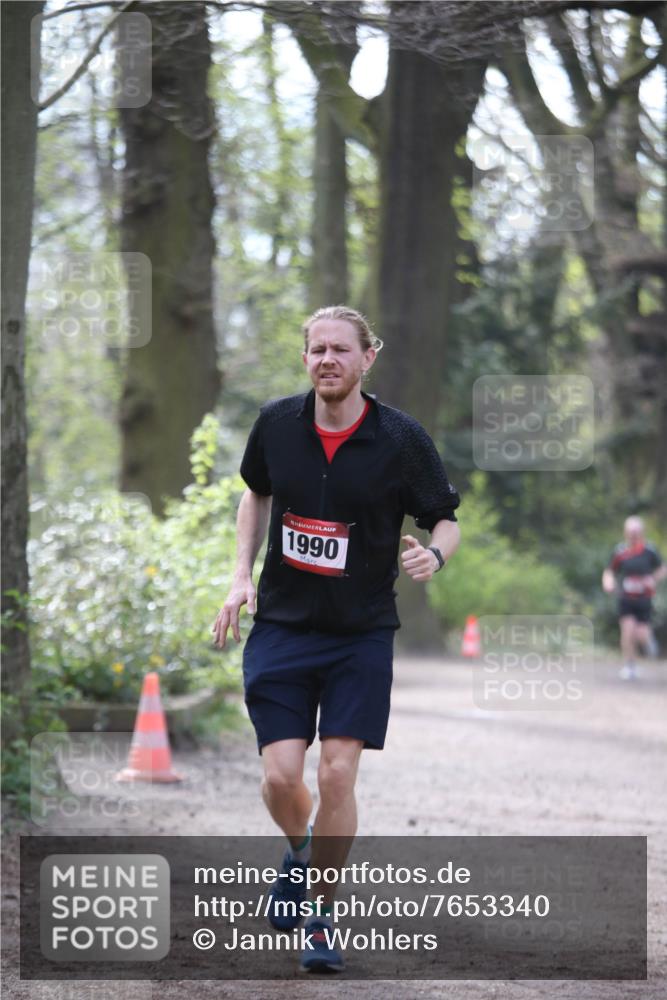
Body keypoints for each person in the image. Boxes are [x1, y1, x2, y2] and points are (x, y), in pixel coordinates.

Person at [212, 305, 461, 973]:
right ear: (305, 359)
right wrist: (240, 576)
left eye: (339, 350)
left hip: (360, 633)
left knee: (337, 772)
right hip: (284, 628)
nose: (327, 359)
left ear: (366, 357)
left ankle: (321, 916)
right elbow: (255, 494)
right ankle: (298, 853)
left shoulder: (399, 438)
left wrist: (433, 557)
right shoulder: (276, 424)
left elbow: (444, 519)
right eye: (316, 349)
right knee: (279, 777)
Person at [602, 515, 666, 680]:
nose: (633, 534)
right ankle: (630, 666)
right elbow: (609, 571)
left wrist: (652, 578)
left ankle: (650, 644)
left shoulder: (649, 550)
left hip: (644, 599)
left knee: (641, 633)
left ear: (642, 532)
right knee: (627, 630)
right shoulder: (620, 551)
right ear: (625, 532)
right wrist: (608, 583)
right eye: (630, 531)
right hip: (626, 598)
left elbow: (662, 568)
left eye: (636, 531)